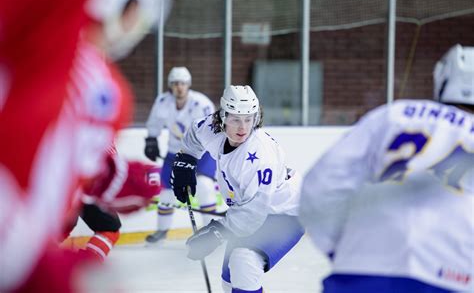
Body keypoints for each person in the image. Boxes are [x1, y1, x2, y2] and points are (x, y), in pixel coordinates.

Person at [0, 0, 175, 291]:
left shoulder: (104, 86)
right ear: (130, 5)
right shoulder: (47, 63)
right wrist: (32, 267)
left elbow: (54, 160)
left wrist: (114, 178)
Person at [299, 44, 474, 293]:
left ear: (443, 77)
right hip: (452, 274)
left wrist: (342, 247)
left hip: (364, 264)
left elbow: (323, 183)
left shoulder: (394, 115)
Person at [170, 85, 304, 292]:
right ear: (222, 117)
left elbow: (254, 212)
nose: (243, 128)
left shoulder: (260, 156)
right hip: (249, 212)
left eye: (249, 119)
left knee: (245, 263)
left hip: (284, 213)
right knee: (230, 282)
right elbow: (195, 134)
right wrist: (186, 162)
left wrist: (216, 231)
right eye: (235, 120)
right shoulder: (213, 128)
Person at [144, 67, 217, 243]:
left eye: (183, 83)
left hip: (201, 153)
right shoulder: (163, 101)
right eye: (175, 83)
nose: (179, 87)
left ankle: (211, 232)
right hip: (175, 153)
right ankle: (162, 231)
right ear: (170, 85)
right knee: (166, 193)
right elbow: (154, 122)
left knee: (205, 187)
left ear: (188, 85)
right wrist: (151, 140)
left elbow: (214, 129)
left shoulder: (201, 103)